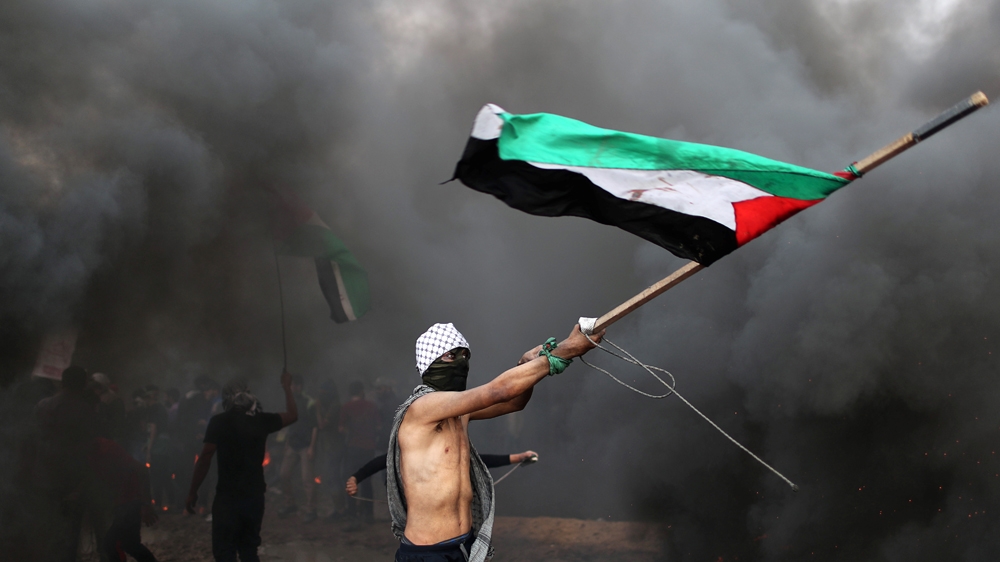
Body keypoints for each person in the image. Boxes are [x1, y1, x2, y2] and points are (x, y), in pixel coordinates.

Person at [387, 323, 601, 562]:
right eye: (450, 356)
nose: (461, 362)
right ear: (430, 362)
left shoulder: (459, 411)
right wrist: (565, 350)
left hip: (462, 546)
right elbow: (498, 391)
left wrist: (526, 364)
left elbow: (513, 402)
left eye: (465, 355)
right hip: (427, 553)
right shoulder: (421, 408)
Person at [186, 373, 298, 562]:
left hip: (228, 498)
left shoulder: (219, 421)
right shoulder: (261, 420)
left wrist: (193, 491)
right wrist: (286, 387)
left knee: (225, 552)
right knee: (248, 551)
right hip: (253, 498)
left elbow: (205, 457)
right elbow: (293, 415)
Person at [35, 365, 99, 562]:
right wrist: (82, 486)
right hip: (72, 479)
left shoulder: (42, 406)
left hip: (44, 477)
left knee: (47, 531)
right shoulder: (84, 410)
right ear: (83, 385)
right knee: (70, 534)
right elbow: (89, 449)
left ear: (62, 382)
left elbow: (34, 441)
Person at [346, 450, 538, 497]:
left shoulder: (448, 449)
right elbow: (380, 462)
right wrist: (356, 477)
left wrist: (518, 457)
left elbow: (479, 460)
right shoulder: (409, 449)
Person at [89, 437, 159, 562]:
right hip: (124, 502)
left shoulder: (106, 448)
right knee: (129, 544)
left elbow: (141, 470)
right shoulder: (94, 452)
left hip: (130, 501)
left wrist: (146, 505)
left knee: (113, 544)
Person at [276, 374, 319, 522]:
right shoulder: (290, 402)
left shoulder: (309, 402)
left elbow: (315, 426)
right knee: (283, 475)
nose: (292, 388)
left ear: (299, 386)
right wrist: (286, 443)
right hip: (293, 445)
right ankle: (290, 504)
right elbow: (289, 425)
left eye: (294, 385)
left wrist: (312, 447)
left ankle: (311, 509)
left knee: (307, 479)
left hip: (306, 445)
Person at [339, 380, 379, 525]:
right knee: (367, 482)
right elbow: (378, 426)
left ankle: (352, 513)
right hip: (369, 448)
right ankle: (369, 515)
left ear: (350, 393)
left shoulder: (346, 407)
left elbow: (341, 429)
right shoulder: (372, 406)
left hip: (353, 447)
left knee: (351, 480)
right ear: (362, 392)